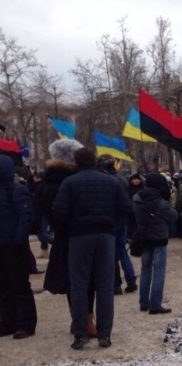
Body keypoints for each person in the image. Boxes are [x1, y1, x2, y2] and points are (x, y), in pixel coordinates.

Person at [51, 147, 131, 349]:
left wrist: (70, 226)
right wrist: (112, 223)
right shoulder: (111, 181)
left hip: (79, 236)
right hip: (106, 235)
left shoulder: (69, 183)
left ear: (76, 163)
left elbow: (58, 212)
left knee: (79, 285)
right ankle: (104, 334)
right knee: (105, 286)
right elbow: (126, 208)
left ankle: (80, 334)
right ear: (95, 161)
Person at [41, 139, 97, 338]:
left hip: (62, 237)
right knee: (87, 280)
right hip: (79, 234)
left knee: (72, 282)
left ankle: (77, 318)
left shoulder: (48, 181)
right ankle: (87, 319)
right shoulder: (74, 180)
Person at [0, 154, 37, 339]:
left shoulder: (16, 190)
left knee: (20, 285)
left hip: (14, 246)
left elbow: (26, 217)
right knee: (4, 286)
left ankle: (26, 323)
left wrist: (18, 241)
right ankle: (8, 322)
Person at [134, 173, 178, 314]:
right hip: (159, 238)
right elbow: (173, 217)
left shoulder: (137, 198)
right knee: (159, 271)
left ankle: (143, 302)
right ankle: (155, 304)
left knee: (145, 269)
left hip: (143, 236)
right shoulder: (161, 202)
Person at [98, 155, 137, 296]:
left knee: (111, 254)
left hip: (109, 221)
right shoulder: (123, 179)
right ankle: (131, 280)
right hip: (121, 220)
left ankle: (116, 285)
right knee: (122, 251)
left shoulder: (105, 181)